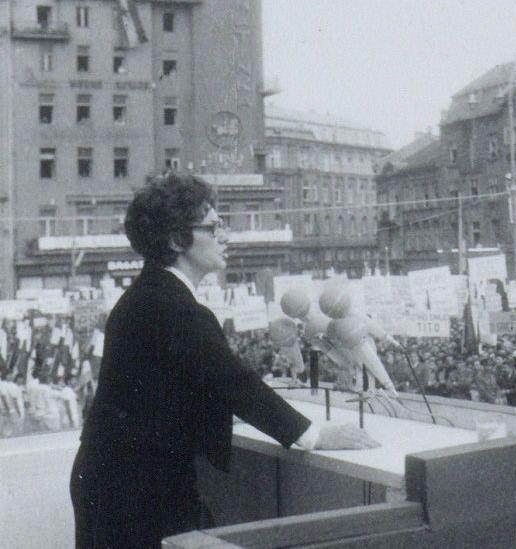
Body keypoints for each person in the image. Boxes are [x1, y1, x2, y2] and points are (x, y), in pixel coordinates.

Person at [70, 174, 379, 548]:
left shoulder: (149, 295)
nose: (226, 236)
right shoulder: (174, 306)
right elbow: (235, 382)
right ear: (175, 239)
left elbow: (170, 386)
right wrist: (314, 435)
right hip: (136, 489)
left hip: (117, 480)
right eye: (214, 227)